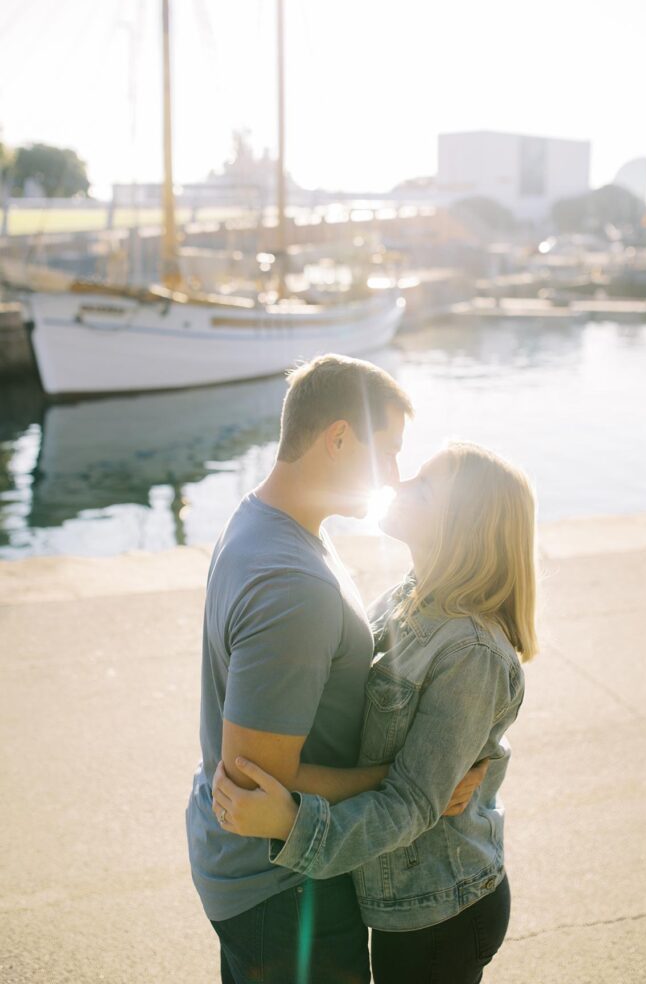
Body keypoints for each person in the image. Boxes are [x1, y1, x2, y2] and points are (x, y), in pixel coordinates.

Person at [186, 355, 488, 984]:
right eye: (391, 451)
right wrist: (407, 781)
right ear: (340, 438)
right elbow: (255, 780)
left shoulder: (263, 522)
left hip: (248, 874)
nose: (397, 475)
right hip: (283, 887)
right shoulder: (292, 583)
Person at [212, 441, 539, 984]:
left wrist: (293, 826)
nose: (399, 484)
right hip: (403, 904)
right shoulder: (407, 599)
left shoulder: (470, 652)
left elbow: (412, 802)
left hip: (438, 911)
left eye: (424, 485)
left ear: (465, 523)